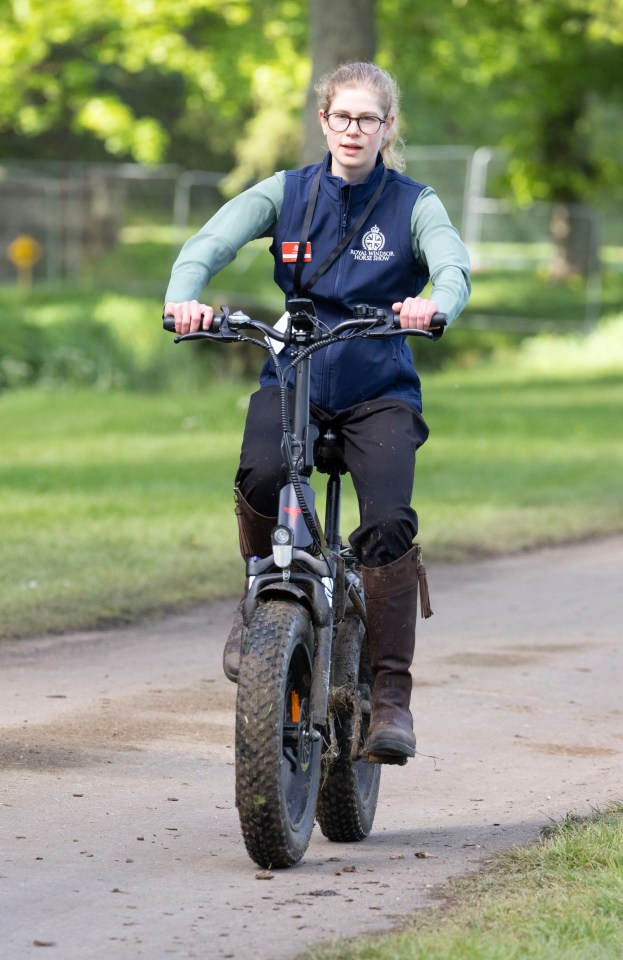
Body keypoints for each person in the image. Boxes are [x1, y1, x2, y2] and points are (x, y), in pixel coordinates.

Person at [164, 61, 471, 760]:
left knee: (388, 523)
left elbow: (451, 267)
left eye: (369, 118)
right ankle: (256, 604)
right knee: (262, 473)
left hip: (376, 385)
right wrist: (184, 297)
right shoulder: (286, 193)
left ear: (388, 127)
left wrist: (435, 306)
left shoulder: (412, 203)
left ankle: (390, 696)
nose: (354, 130)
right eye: (342, 117)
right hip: (296, 373)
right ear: (323, 121)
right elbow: (206, 245)